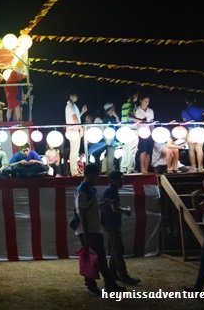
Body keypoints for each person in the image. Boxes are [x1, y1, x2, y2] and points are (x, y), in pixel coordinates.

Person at [74, 164, 126, 296]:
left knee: (100, 259)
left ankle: (108, 283)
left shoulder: (90, 189)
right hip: (88, 230)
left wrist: (104, 204)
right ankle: (92, 285)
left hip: (94, 229)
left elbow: (92, 208)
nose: (98, 178)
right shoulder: (82, 191)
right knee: (92, 259)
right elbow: (82, 213)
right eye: (97, 176)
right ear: (90, 175)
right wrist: (86, 234)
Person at [101, 171, 141, 286]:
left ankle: (112, 272)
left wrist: (122, 209)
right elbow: (115, 209)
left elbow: (114, 207)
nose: (123, 181)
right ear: (113, 180)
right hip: (111, 222)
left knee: (116, 247)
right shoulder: (111, 191)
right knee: (118, 248)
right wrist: (125, 211)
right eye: (120, 179)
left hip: (110, 222)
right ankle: (124, 276)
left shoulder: (111, 190)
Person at [181, 94, 204, 173]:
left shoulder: (184, 111)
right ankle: (200, 167)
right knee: (199, 149)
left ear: (186, 102)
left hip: (191, 130)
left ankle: (193, 168)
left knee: (191, 149)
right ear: (195, 100)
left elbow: (185, 122)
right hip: (200, 129)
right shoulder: (201, 109)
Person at [65, 91, 87, 176]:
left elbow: (75, 117)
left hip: (73, 130)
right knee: (74, 151)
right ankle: (74, 171)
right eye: (75, 95)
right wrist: (80, 128)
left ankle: (74, 171)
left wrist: (82, 112)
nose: (76, 96)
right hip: (73, 130)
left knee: (75, 150)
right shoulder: (70, 105)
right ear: (71, 96)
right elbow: (74, 118)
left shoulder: (72, 106)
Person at [120, 89, 140, 174]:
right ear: (134, 95)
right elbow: (129, 116)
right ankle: (130, 169)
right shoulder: (132, 104)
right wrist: (140, 120)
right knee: (132, 150)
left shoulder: (124, 105)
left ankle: (123, 168)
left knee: (126, 150)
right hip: (131, 129)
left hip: (124, 130)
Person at [134, 95, 154, 174]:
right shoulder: (136, 110)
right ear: (141, 101)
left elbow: (152, 122)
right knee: (143, 151)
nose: (146, 103)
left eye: (148, 101)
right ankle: (142, 169)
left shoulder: (150, 111)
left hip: (149, 133)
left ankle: (146, 169)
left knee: (149, 152)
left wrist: (153, 133)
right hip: (140, 133)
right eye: (145, 101)